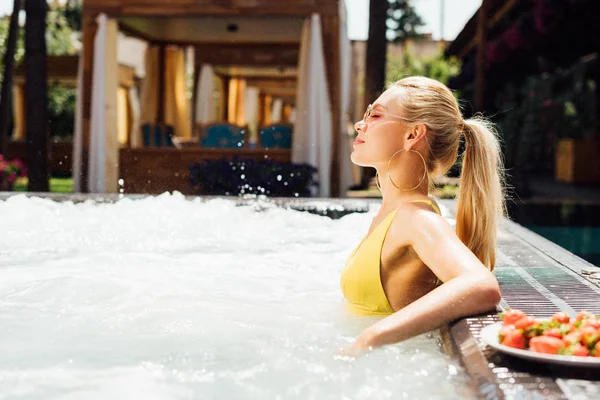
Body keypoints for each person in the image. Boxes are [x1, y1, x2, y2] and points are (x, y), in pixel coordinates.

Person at [341, 76, 504, 353]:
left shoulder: (415, 218)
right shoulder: (392, 214)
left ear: (412, 134)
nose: (361, 123)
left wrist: (370, 339)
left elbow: (481, 285)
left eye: (376, 115)